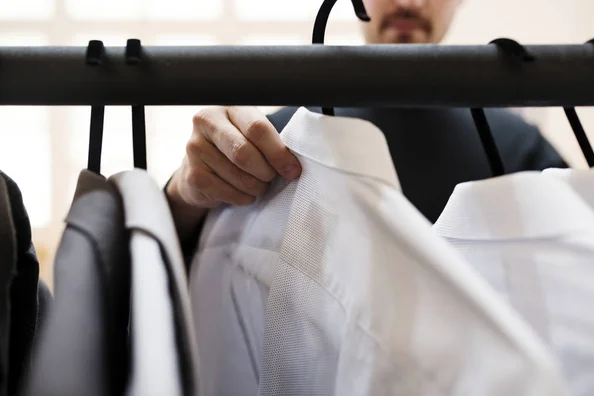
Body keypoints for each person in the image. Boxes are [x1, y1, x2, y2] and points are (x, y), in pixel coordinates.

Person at [165, 0, 567, 250]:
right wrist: (183, 194)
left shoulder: (519, 149)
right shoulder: (282, 138)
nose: (410, 1)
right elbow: (184, 274)